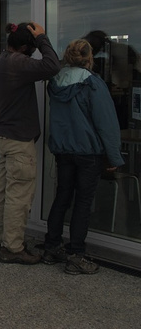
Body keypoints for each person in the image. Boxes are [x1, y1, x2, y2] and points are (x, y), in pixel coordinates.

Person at [42, 39, 124, 275]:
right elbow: (106, 123)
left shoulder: (55, 82)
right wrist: (114, 156)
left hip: (63, 150)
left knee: (62, 197)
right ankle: (76, 255)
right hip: (88, 152)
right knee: (83, 203)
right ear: (89, 59)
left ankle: (51, 247)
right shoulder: (93, 84)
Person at [0, 22, 62, 264]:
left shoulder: (1, 61)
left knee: (3, 193)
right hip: (19, 139)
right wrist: (42, 39)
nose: (33, 53)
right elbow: (52, 66)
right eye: (31, 48)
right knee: (18, 196)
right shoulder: (17, 63)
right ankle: (13, 247)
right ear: (23, 47)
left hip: (4, 136)